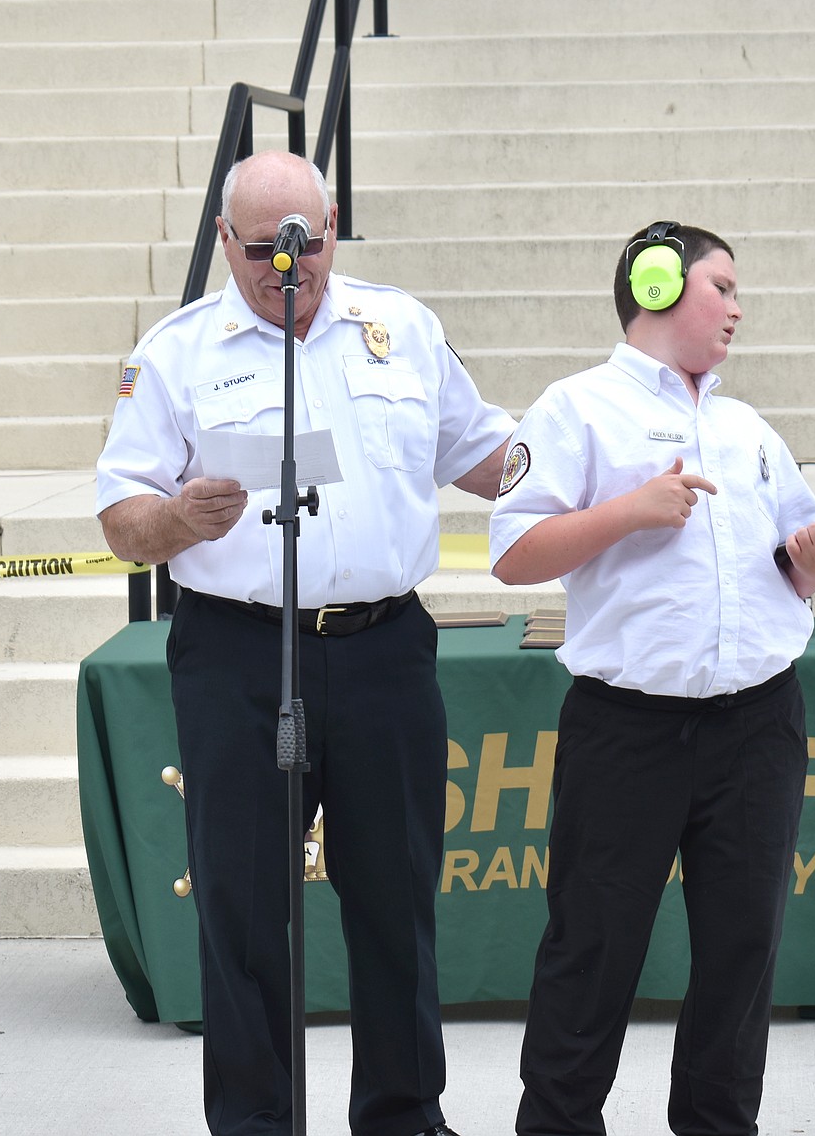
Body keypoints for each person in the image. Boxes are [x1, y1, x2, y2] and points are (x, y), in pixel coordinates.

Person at [95, 149, 513, 1136]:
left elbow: (487, 452)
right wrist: (180, 520)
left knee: (396, 900)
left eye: (311, 243)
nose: (293, 267)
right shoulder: (178, 354)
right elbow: (121, 516)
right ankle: (255, 1124)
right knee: (244, 912)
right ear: (229, 244)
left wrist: (593, 463)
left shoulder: (399, 329)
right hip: (239, 656)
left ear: (333, 226)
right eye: (265, 250)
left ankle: (405, 1117)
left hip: (383, 653)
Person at [489, 222, 815, 1136]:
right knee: (594, 948)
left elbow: (788, 569)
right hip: (629, 732)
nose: (738, 307)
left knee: (742, 953)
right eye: (721, 286)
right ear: (656, 285)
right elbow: (512, 552)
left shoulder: (748, 428)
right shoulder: (577, 409)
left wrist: (811, 563)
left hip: (759, 724)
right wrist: (628, 510)